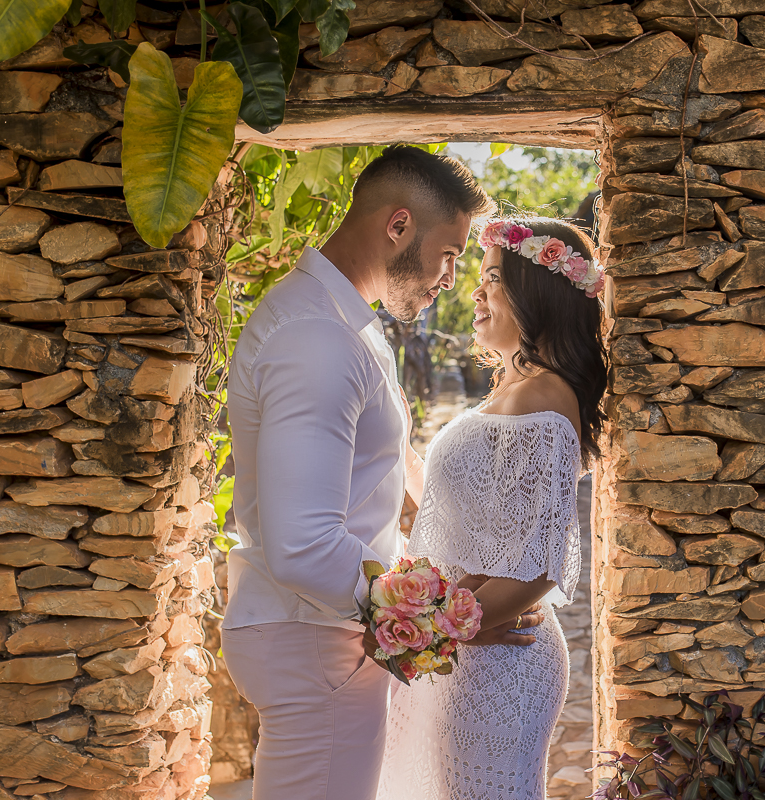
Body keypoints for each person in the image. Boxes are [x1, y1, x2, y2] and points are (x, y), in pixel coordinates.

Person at [220, 146, 536, 800]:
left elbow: (383, 469)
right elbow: (305, 544)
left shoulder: (343, 323)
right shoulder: (316, 338)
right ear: (398, 226)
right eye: (448, 253)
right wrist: (450, 618)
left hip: (321, 636)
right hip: (314, 643)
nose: (451, 278)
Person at [376, 217, 608, 800]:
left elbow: (537, 566)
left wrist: (429, 632)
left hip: (499, 659)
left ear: (538, 295)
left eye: (494, 278)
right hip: (468, 644)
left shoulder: (546, 397)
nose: (476, 292)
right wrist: (400, 443)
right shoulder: (510, 392)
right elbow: (461, 513)